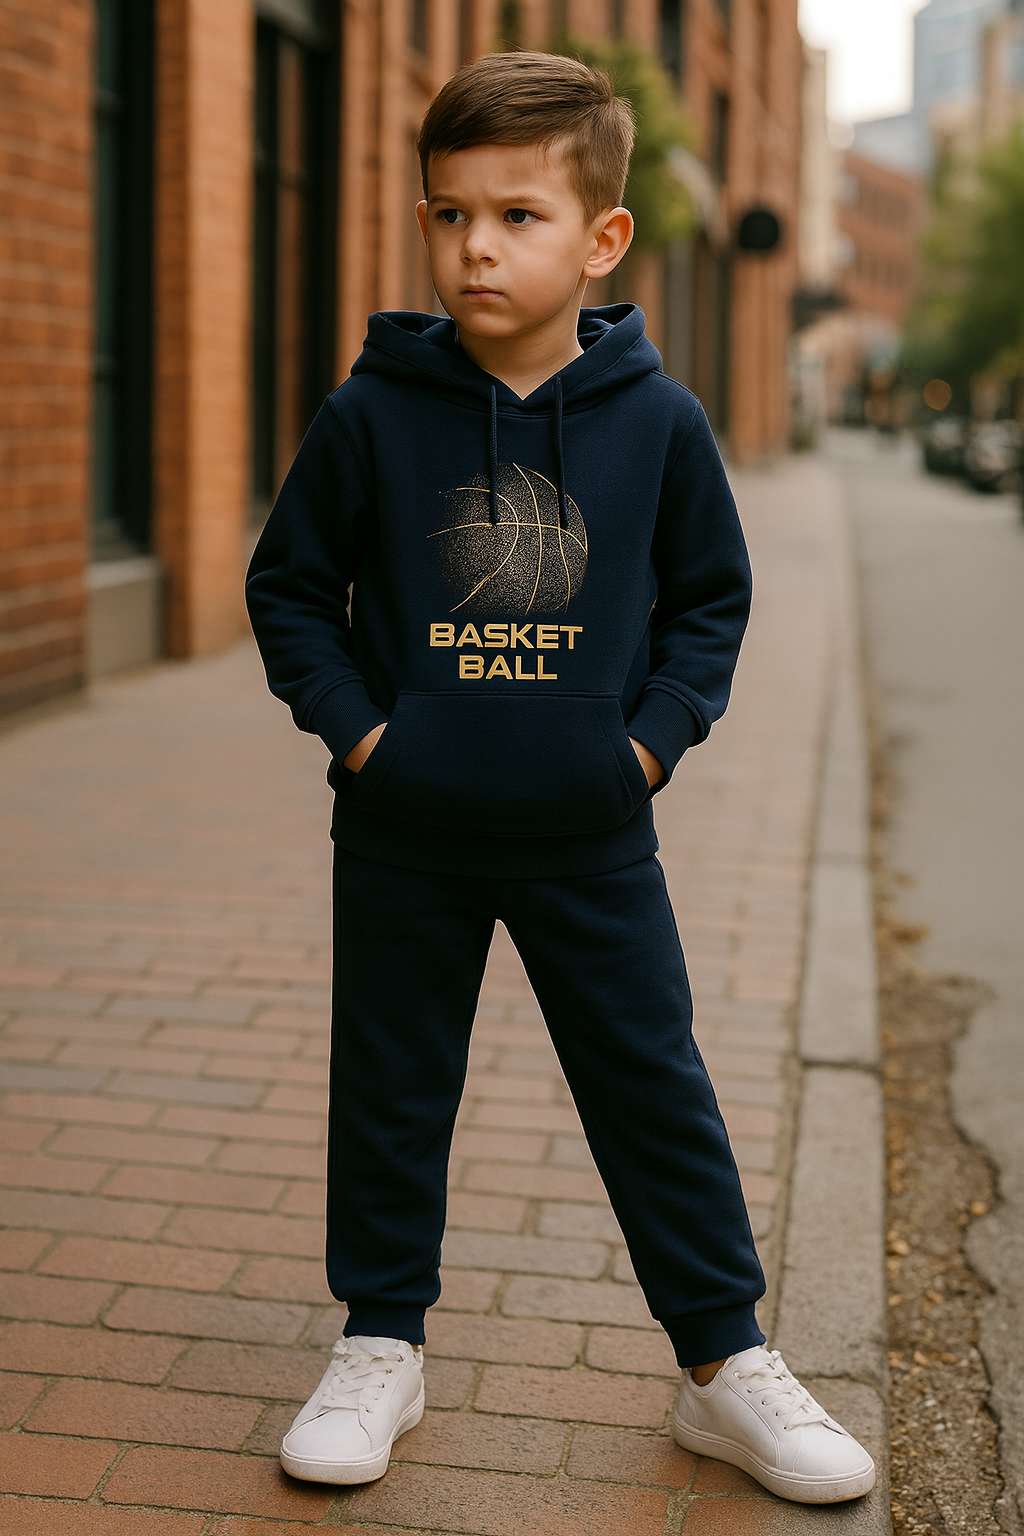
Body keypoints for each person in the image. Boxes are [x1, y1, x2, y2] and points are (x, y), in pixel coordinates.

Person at [245, 48, 876, 1506]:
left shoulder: (661, 426)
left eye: (518, 215)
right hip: (407, 823)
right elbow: (292, 592)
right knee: (394, 1085)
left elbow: (711, 603)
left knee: (652, 1083)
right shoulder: (373, 413)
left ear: (601, 239)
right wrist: (366, 734)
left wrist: (645, 744)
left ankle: (726, 1366)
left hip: (591, 828)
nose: (478, 244)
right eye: (451, 213)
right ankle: (381, 1343)